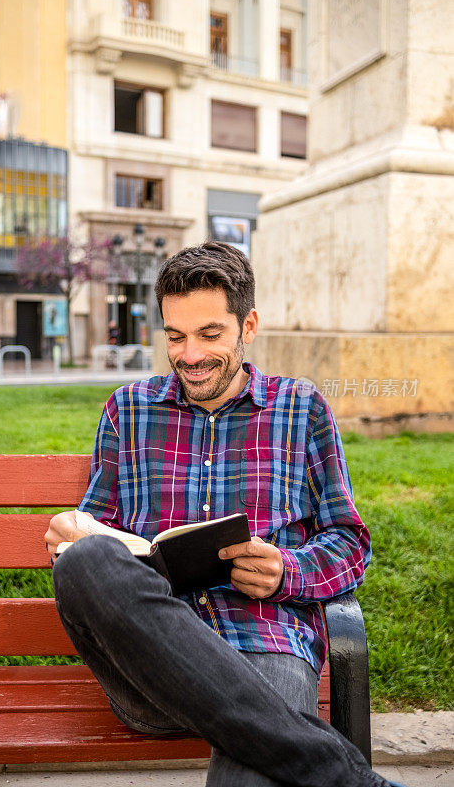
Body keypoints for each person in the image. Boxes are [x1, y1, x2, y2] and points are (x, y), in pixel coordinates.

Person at [45, 242, 405, 787]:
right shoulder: (127, 410)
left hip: (266, 645)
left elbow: (349, 542)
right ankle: (344, 776)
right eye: (174, 336)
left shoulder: (302, 409)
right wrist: (75, 534)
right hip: (154, 671)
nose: (189, 355)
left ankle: (314, 763)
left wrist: (289, 570)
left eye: (209, 334)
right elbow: (97, 529)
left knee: (256, 753)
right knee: (86, 561)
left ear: (248, 325)